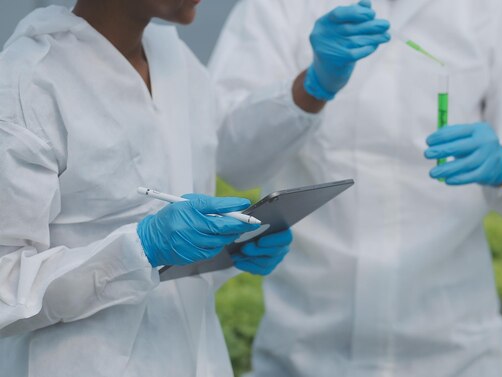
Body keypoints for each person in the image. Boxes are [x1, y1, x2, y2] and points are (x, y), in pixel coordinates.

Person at [208, 0, 502, 375]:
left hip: (455, 352)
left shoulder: (501, 12)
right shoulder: (278, 7)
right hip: (305, 351)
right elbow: (232, 156)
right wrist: (308, 89)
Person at [0, 0, 305, 375]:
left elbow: (172, 262)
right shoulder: (27, 83)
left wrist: (227, 249)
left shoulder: (178, 62)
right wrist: (139, 249)